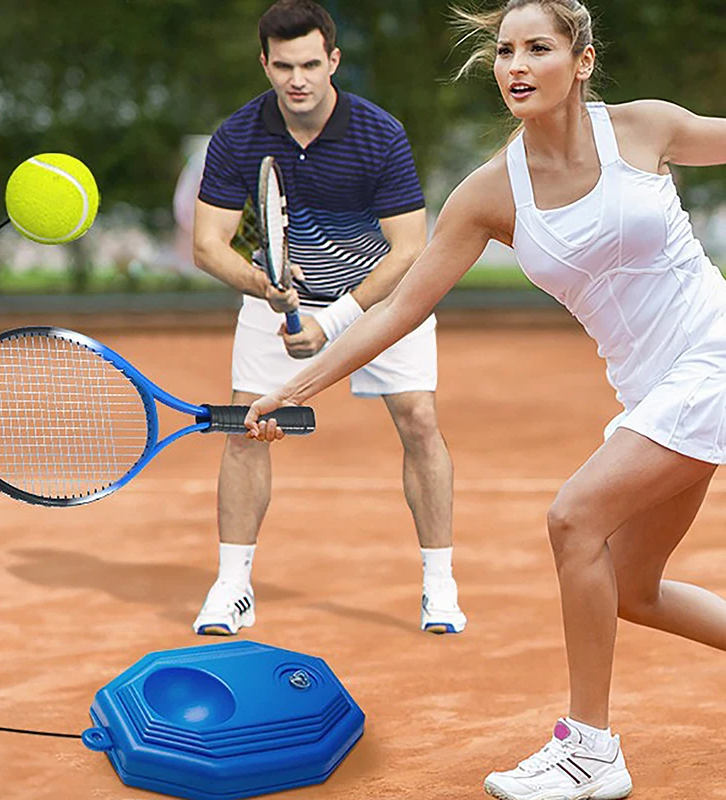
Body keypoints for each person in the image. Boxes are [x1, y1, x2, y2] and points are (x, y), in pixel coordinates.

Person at [244, 1, 726, 798]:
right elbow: (401, 309)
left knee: (574, 519)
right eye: (505, 51)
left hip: (713, 356)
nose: (516, 65)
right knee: (635, 590)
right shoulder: (490, 194)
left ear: (582, 62)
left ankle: (590, 749)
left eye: (539, 47)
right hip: (651, 388)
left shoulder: (646, 128)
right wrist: (295, 384)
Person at [192, 0, 465, 637]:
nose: (298, 79)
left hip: (379, 298)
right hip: (279, 298)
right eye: (283, 65)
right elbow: (209, 245)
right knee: (245, 424)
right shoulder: (237, 136)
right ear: (265, 63)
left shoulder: (379, 134)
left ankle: (439, 585)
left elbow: (409, 250)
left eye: (311, 63)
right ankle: (233, 586)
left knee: (419, 419)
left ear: (333, 60)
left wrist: (336, 320)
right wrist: (264, 287)